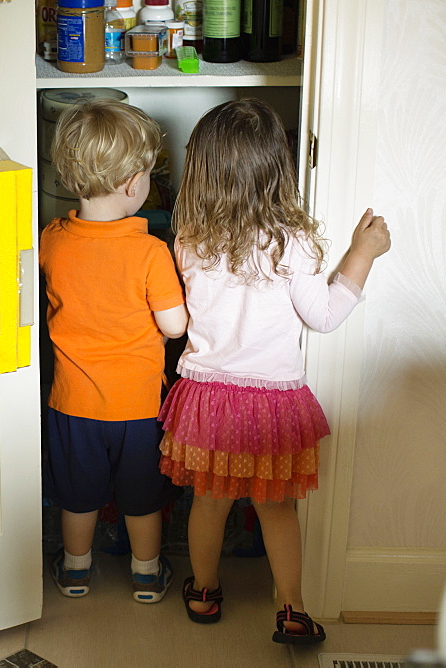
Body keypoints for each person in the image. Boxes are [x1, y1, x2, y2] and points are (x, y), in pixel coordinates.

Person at [159, 98, 391, 644]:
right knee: (278, 509)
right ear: (277, 168)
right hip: (271, 401)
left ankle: (205, 590)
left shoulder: (190, 238)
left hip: (208, 397)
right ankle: (292, 608)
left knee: (208, 502)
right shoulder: (295, 243)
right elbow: (325, 316)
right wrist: (364, 253)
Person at [40, 99, 188, 603]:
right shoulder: (150, 251)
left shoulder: (53, 240)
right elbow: (173, 325)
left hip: (72, 403)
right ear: (133, 185)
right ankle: (146, 574)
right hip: (138, 407)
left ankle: (75, 570)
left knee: (77, 497)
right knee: (142, 498)